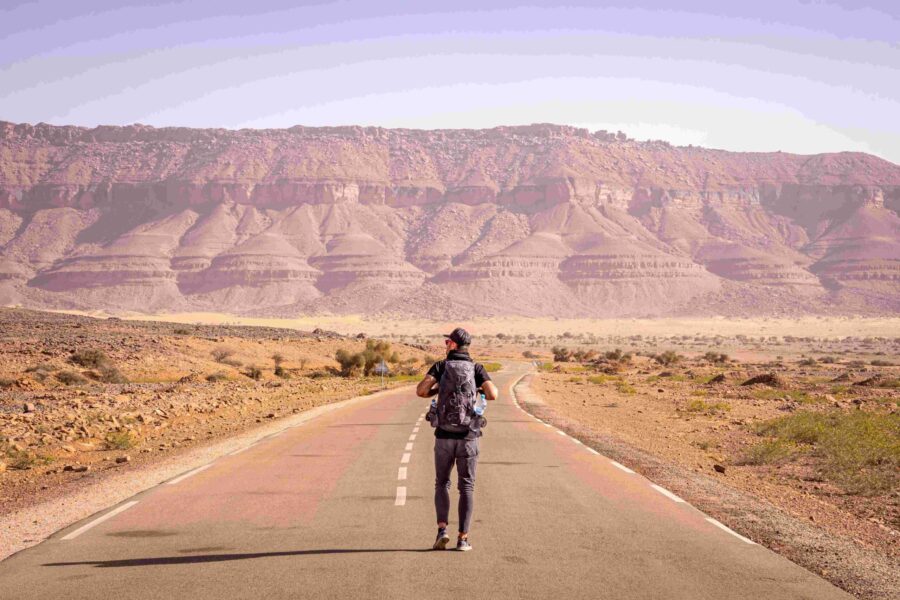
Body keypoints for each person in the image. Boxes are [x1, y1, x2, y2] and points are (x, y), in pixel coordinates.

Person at [416, 327, 499, 552]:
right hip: (469, 436)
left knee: (442, 483)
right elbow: (493, 394)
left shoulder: (441, 367)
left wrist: (438, 389)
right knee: (467, 487)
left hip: (443, 435)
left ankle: (442, 530)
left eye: (446, 342)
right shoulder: (476, 368)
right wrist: (477, 390)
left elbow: (421, 391)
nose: (446, 345)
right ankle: (463, 539)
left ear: (452, 345)